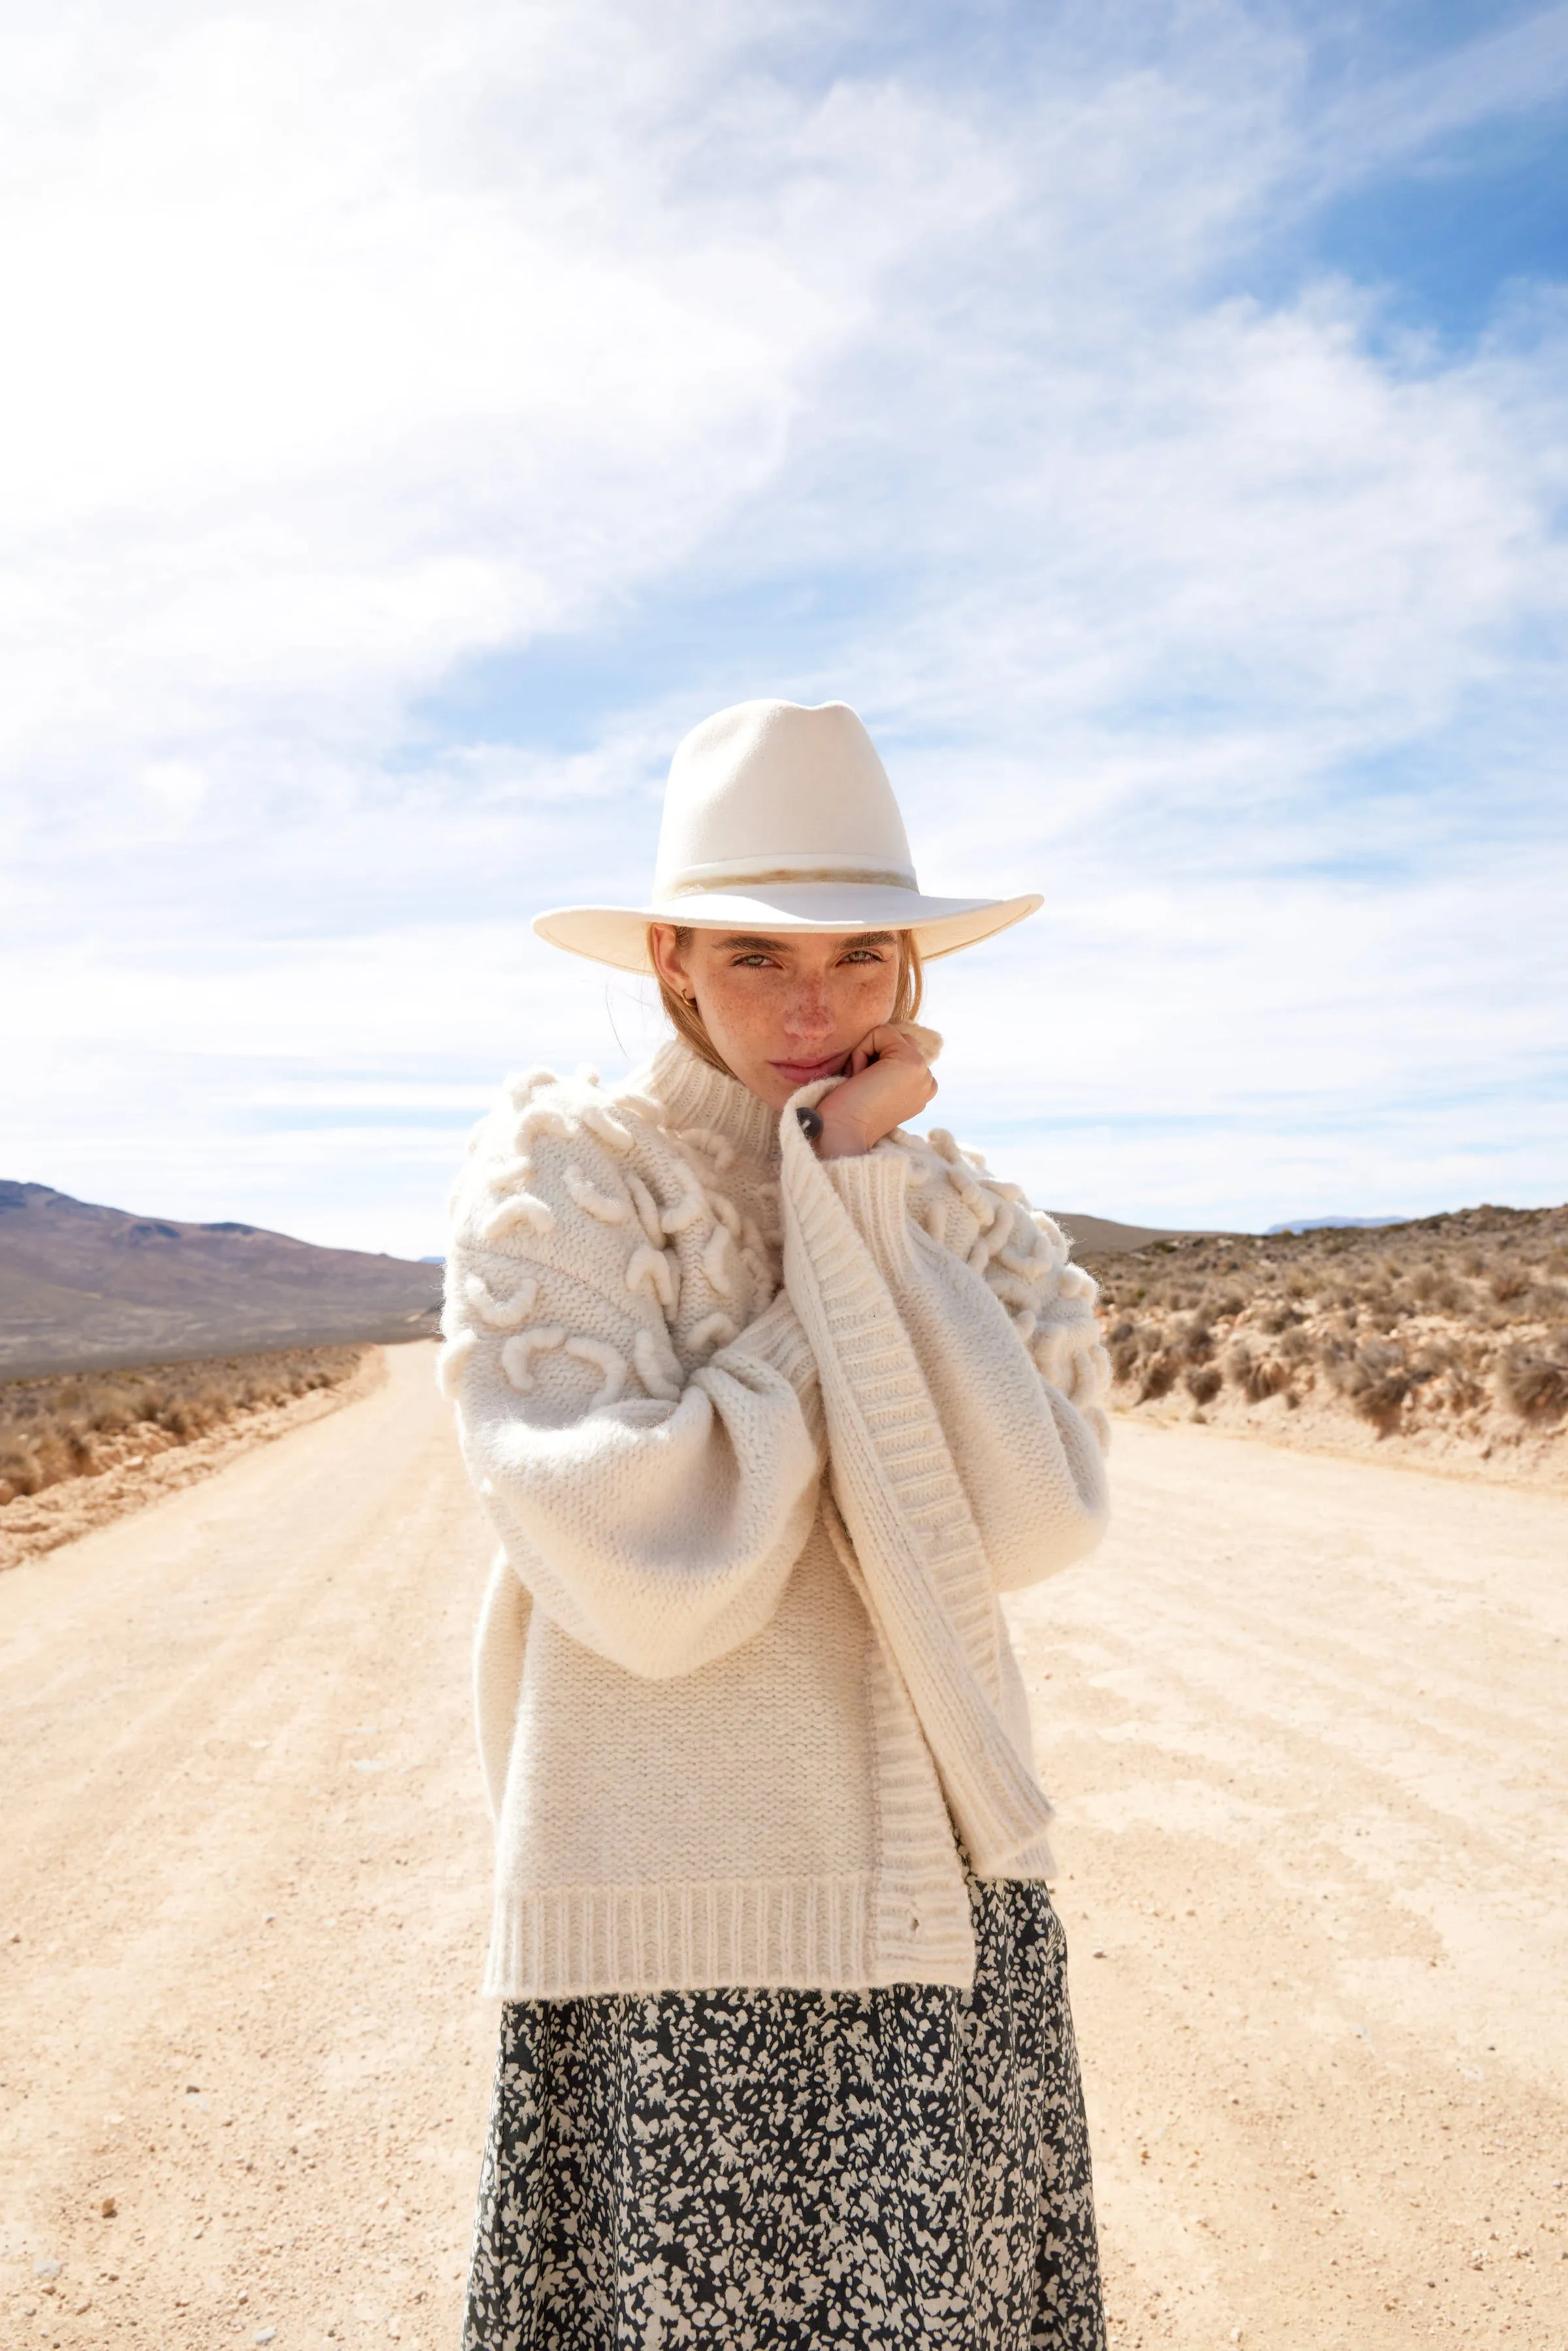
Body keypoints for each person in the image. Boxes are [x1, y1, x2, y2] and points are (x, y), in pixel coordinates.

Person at [440, 698, 1113, 2349]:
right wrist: (838, 1248)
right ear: (670, 959)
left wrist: (868, 1195)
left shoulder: (965, 1210)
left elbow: (1036, 1516)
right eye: (755, 959)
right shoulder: (568, 1183)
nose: (816, 1008)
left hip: (945, 1902)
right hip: (668, 1912)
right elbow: (634, 1562)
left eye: (860, 958)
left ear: (911, 969)